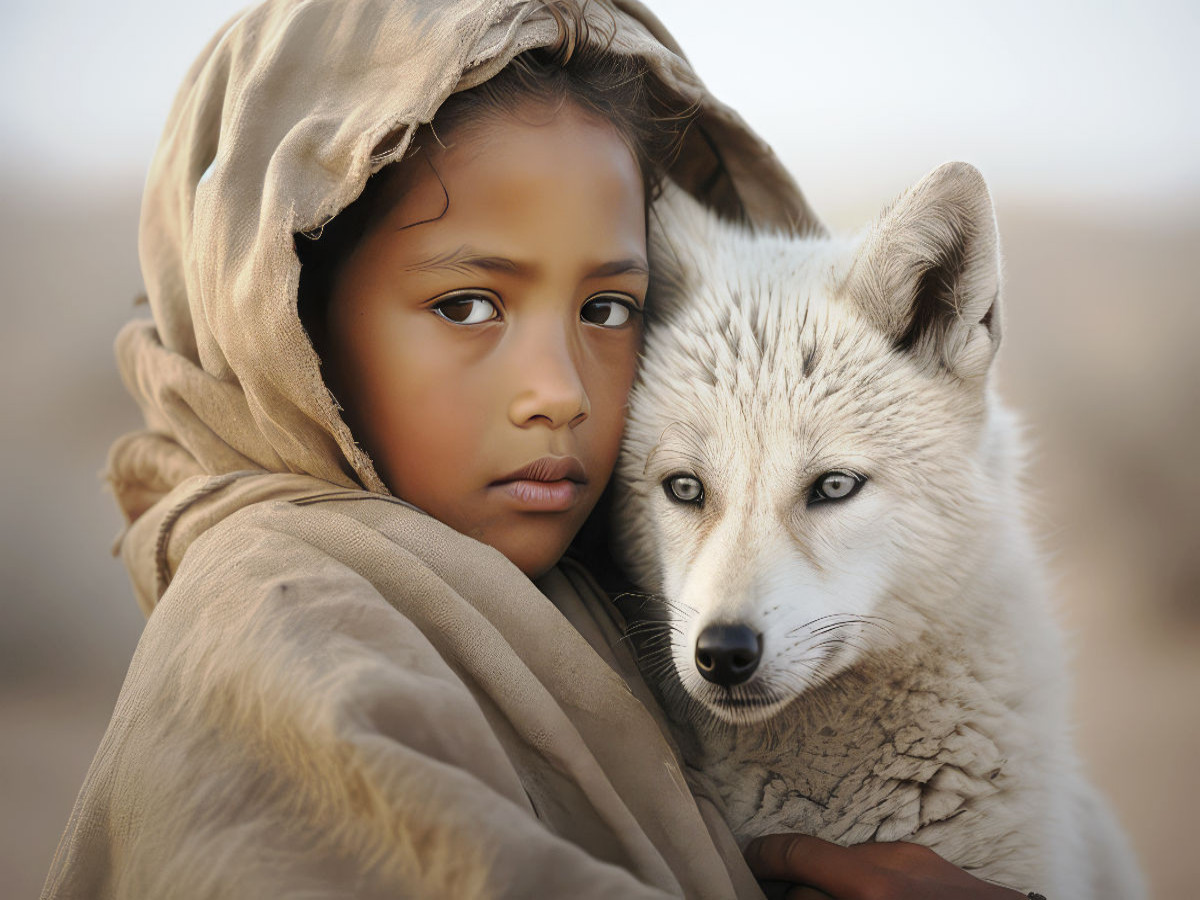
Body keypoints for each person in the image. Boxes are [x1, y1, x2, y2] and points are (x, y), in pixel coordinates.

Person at [42, 1, 1030, 897]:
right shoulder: (285, 626)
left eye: (609, 308)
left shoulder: (559, 574)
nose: (560, 389)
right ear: (285, 314)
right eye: (467, 305)